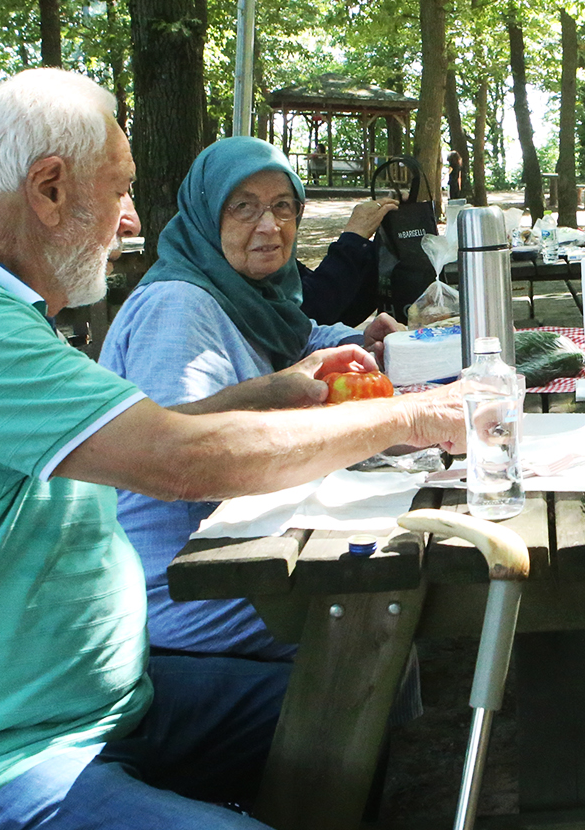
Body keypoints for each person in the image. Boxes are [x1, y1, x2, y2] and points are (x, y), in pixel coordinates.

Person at [0, 69, 464, 830]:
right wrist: (410, 418)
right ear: (49, 189)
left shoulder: (12, 321)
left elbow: (155, 432)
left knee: (361, 688)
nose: (133, 220)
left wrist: (280, 390)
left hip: (103, 706)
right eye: (121, 189)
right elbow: (173, 462)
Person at [99, 137, 403, 657]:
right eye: (243, 207)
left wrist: (359, 339)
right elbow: (177, 447)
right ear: (205, 214)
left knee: (385, 575)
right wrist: (279, 397)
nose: (270, 226)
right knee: (374, 606)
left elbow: (300, 338)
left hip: (240, 547)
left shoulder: (248, 291)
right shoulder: (179, 305)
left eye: (283, 206)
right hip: (178, 583)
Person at [298, 194, 397, 327]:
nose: (270, 226)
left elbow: (342, 308)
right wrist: (353, 238)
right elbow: (311, 314)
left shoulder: (285, 271)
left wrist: (393, 232)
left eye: (282, 205)